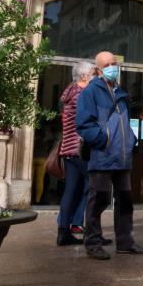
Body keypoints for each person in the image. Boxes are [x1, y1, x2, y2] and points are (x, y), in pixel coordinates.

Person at [76, 51, 143, 259]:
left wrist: (131, 142)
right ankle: (93, 243)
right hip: (102, 156)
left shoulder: (120, 92)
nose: (112, 67)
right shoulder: (90, 92)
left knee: (125, 202)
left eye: (114, 63)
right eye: (107, 64)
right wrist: (103, 141)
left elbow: (124, 122)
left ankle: (125, 242)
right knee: (98, 201)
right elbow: (83, 124)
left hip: (122, 157)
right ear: (99, 70)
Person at [56, 61, 94, 246]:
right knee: (95, 185)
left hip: (69, 149)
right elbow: (87, 121)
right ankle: (91, 231)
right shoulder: (81, 95)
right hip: (79, 149)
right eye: (93, 74)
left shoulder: (71, 92)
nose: (95, 77)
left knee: (72, 189)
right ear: (84, 76)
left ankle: (64, 230)